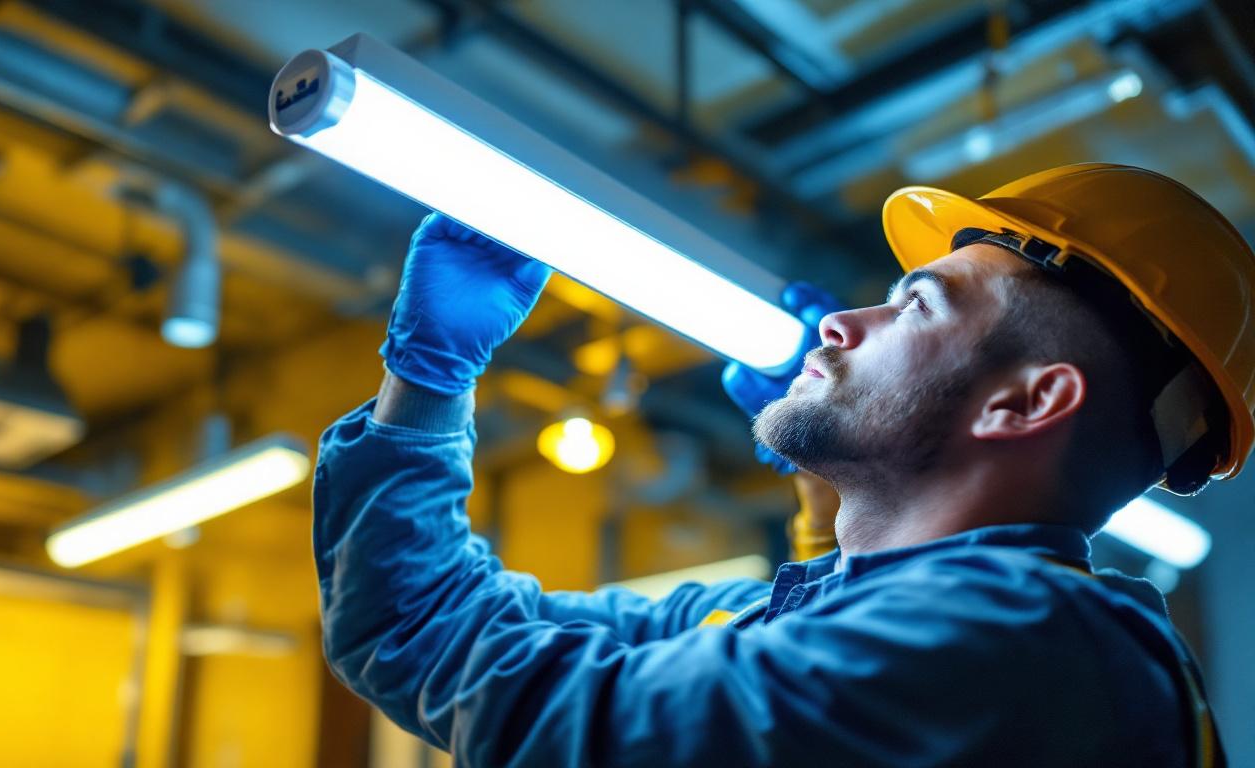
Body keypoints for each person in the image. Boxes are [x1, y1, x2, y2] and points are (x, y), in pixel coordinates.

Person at [312, 164, 1253, 766]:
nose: (841, 322)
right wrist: (425, 382)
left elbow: (559, 717)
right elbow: (412, 624)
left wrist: (433, 368)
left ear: (1025, 404)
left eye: (916, 307)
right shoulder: (811, 618)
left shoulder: (1028, 641)